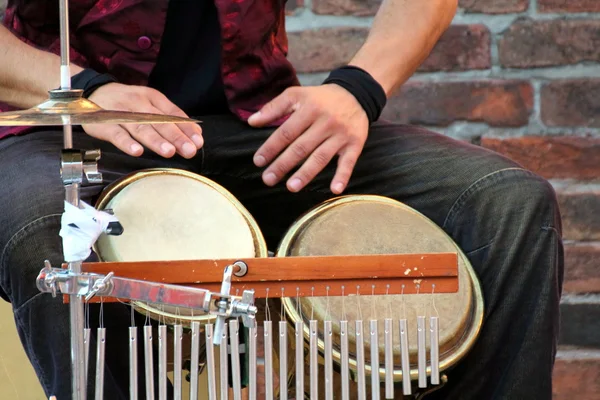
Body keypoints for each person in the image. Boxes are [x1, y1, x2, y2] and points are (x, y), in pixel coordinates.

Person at [0, 0, 563, 399]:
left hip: (258, 127)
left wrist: (357, 89)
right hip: (75, 125)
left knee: (508, 202)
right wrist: (86, 89)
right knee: (51, 232)